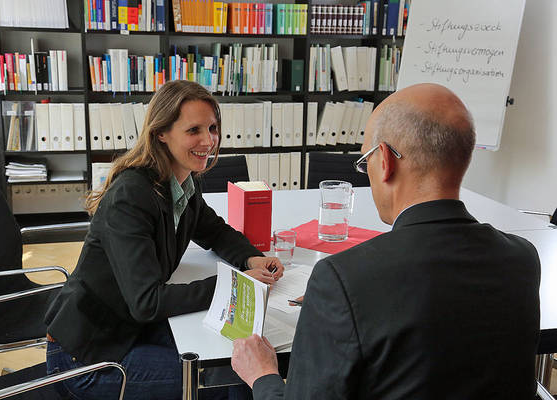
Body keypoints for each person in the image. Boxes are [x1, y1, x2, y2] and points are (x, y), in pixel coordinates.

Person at [231, 83, 541, 399]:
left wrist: (264, 376)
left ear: (385, 161)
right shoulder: (522, 259)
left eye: (365, 160)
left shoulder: (343, 279)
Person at [44, 80, 284, 400]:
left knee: (237, 353)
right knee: (229, 377)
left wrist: (251, 258)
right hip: (88, 358)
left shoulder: (180, 182)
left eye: (212, 127)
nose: (208, 140)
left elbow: (213, 230)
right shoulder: (131, 195)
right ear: (161, 133)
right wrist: (235, 284)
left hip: (128, 328)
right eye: (193, 130)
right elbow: (148, 302)